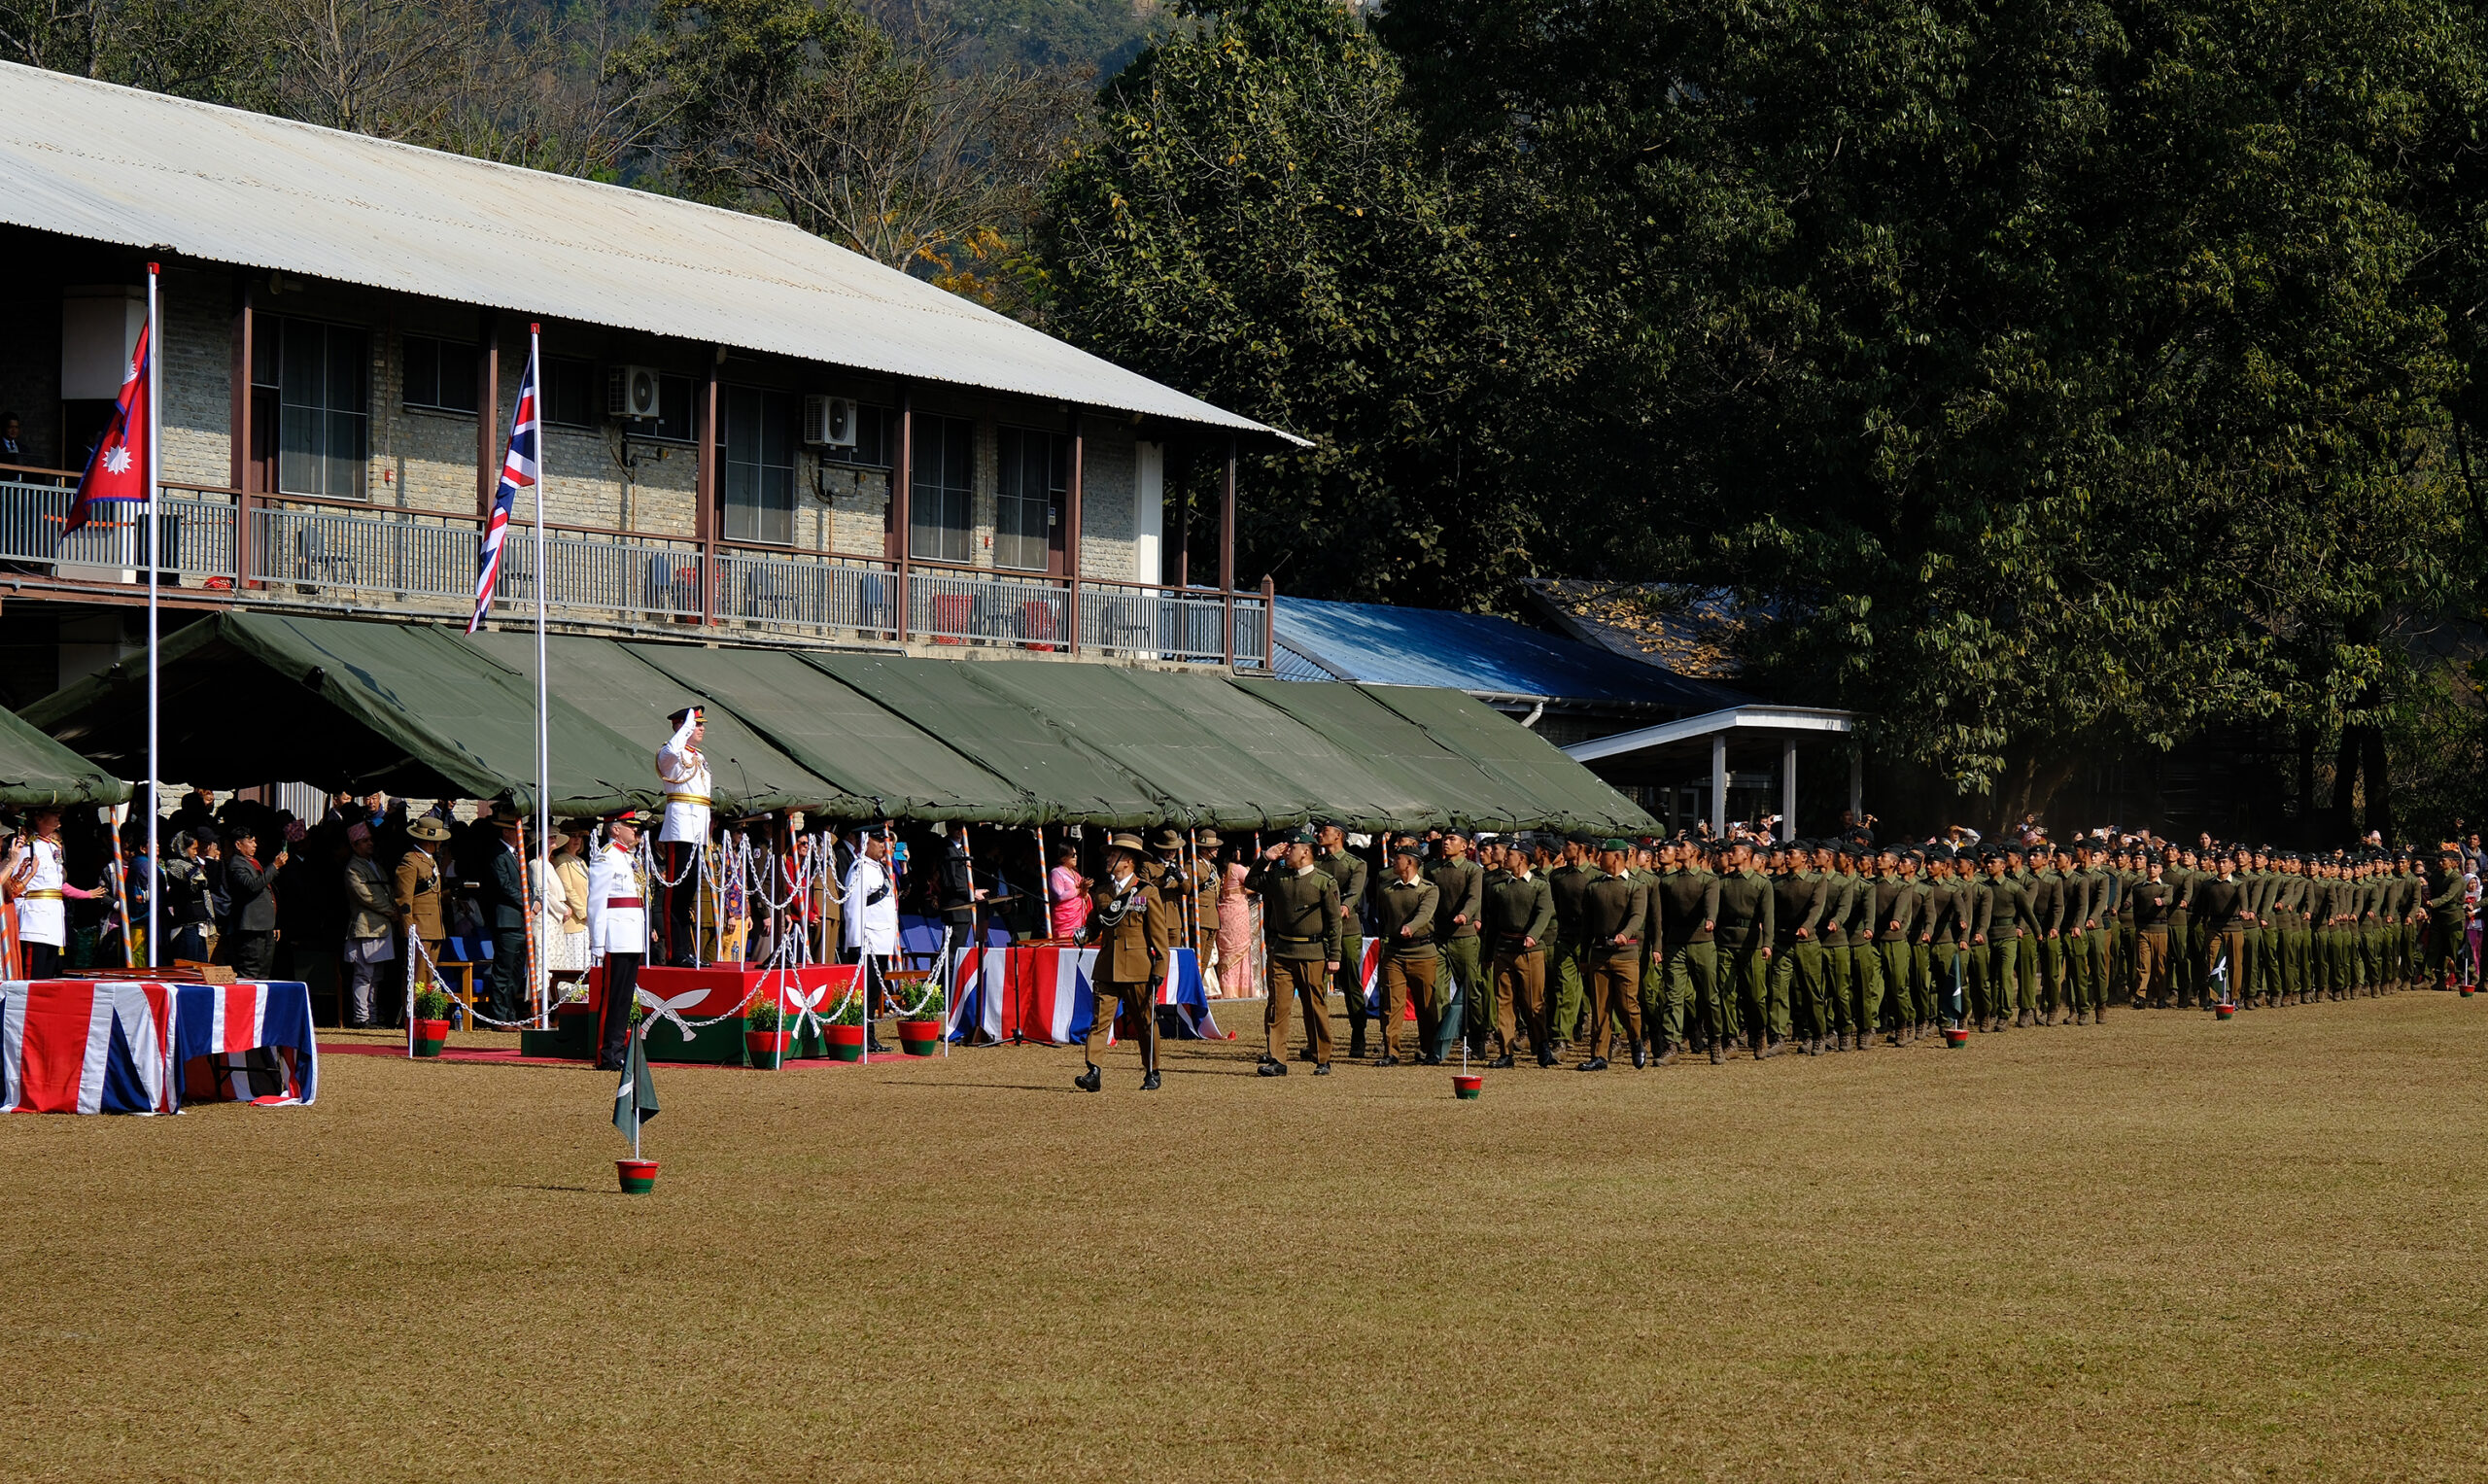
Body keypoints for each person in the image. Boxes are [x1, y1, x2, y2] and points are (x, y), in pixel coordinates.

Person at [1076, 833, 1171, 1092]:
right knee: (1099, 1022)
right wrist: (1084, 934)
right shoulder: (1102, 893)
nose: (1108, 860)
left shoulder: (1147, 892)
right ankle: (1093, 1071)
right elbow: (1095, 925)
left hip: (1138, 968)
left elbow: (1159, 937)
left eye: (1114, 856)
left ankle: (1152, 1070)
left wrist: (1160, 968)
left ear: (1128, 861)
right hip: (1107, 966)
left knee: (1145, 1022)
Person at [1245, 827, 1342, 1076]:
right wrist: (1265, 858)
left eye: (1292, 848)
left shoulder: (1323, 881)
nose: (1286, 851)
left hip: (1312, 952)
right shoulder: (1279, 877)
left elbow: (1334, 921)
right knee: (1279, 1006)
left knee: (1314, 1006)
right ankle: (1277, 1059)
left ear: (1306, 852)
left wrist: (1334, 956)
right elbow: (1251, 882)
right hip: (1282, 952)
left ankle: (1322, 1058)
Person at [1577, 839, 1650, 1070]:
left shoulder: (1636, 886)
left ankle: (1636, 1040)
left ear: (1617, 857)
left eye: (1603, 854)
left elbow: (1637, 917)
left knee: (1628, 1005)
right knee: (1600, 1008)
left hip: (1626, 954)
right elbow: (1587, 925)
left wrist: (1624, 934)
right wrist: (1583, 956)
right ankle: (1599, 1055)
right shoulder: (1593, 886)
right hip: (1599, 953)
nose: (1599, 858)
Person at [1481, 836, 1555, 1066]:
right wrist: (1487, 954)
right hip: (1504, 949)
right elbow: (1491, 923)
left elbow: (1544, 913)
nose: (1504, 857)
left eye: (1510, 854)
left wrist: (1533, 935)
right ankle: (1506, 1052)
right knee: (1504, 1002)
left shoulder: (1540, 886)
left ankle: (1541, 1043)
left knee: (1533, 1002)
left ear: (1522, 858)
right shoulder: (1498, 888)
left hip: (1529, 952)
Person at [587, 810, 650, 1070]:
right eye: (630, 826)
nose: (636, 831)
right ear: (615, 829)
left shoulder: (629, 858)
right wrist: (598, 942)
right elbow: (596, 902)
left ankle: (618, 1049)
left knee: (624, 998)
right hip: (616, 934)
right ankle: (606, 1053)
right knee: (612, 997)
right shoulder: (606, 857)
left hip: (632, 934)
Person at [1370, 840, 1440, 1067]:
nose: (1393, 861)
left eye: (1397, 858)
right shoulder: (1386, 889)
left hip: (1423, 953)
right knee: (1391, 1004)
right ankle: (1391, 1052)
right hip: (1394, 953)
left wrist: (1411, 926)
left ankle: (1429, 1049)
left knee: (1426, 1005)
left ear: (1410, 862)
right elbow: (1383, 919)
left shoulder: (1429, 889)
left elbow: (1425, 914)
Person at [655, 706, 711, 966]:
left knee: (688, 893)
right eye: (696, 724)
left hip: (698, 829)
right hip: (680, 828)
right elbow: (670, 753)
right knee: (676, 893)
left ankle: (686, 950)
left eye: (700, 724)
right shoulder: (670, 754)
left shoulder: (698, 756)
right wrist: (686, 726)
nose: (701, 728)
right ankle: (674, 952)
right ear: (681, 726)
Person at [1429, 829, 1484, 1059]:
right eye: (1445, 839)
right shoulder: (1432, 869)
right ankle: (1441, 1042)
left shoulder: (1473, 870)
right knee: (1437, 991)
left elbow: (1474, 897)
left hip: (1465, 937)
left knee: (1471, 990)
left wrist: (1466, 914)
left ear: (1464, 846)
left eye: (1452, 839)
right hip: (1438, 937)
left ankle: (1478, 1039)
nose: (1446, 843)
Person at [1316, 822, 1370, 1058]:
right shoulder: (1317, 864)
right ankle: (1317, 1039)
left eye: (1324, 831)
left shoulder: (1355, 864)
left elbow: (1355, 891)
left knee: (1350, 984)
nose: (1319, 834)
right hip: (1320, 930)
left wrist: (1345, 906)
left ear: (1339, 835)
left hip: (1347, 929)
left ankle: (1358, 1035)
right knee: (1316, 986)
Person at [341, 822, 397, 1027]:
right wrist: (391, 910)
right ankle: (361, 1016)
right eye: (365, 841)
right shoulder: (353, 868)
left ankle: (371, 1015)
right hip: (366, 926)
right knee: (364, 974)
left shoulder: (375, 865)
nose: (370, 843)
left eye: (370, 840)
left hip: (381, 927)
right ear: (355, 845)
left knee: (377, 976)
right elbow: (366, 896)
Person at [479, 806, 531, 1022]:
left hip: (520, 920)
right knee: (504, 970)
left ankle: (510, 1013)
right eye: (517, 830)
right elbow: (505, 886)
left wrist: (534, 899)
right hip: (507, 921)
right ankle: (500, 1015)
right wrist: (527, 902)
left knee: (516, 971)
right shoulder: (497, 854)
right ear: (507, 831)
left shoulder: (517, 854)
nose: (522, 835)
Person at [222, 820, 283, 979]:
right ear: (238, 844)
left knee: (264, 971)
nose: (255, 845)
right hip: (251, 927)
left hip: (265, 925)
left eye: (255, 841)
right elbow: (252, 885)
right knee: (251, 970)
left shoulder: (253, 861)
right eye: (250, 841)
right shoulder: (236, 864)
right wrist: (274, 867)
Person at [395, 815, 450, 986]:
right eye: (437, 841)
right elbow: (403, 900)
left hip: (434, 927)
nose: (440, 844)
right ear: (428, 841)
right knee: (416, 976)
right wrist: (409, 931)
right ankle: (413, 1005)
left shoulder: (430, 860)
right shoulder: (411, 861)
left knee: (428, 978)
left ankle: (424, 1005)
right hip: (420, 928)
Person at [1217, 841, 1257, 998]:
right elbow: (1254, 883)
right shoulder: (1237, 869)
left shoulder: (1221, 869)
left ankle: (1226, 987)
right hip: (1237, 913)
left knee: (1227, 953)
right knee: (1240, 951)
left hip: (1224, 911)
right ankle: (1240, 989)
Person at [552, 824, 592, 975]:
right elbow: (567, 890)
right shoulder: (561, 860)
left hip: (586, 922)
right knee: (575, 964)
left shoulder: (580, 861)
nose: (577, 840)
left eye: (579, 836)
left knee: (586, 963)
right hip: (574, 921)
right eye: (573, 836)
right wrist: (583, 913)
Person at [1048, 842, 1088, 941]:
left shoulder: (1075, 873)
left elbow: (1084, 896)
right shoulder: (1056, 873)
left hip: (1078, 917)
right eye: (1073, 855)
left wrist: (1085, 890)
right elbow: (1060, 896)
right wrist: (1079, 890)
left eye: (1076, 854)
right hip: (1064, 918)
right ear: (1063, 857)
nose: (1076, 857)